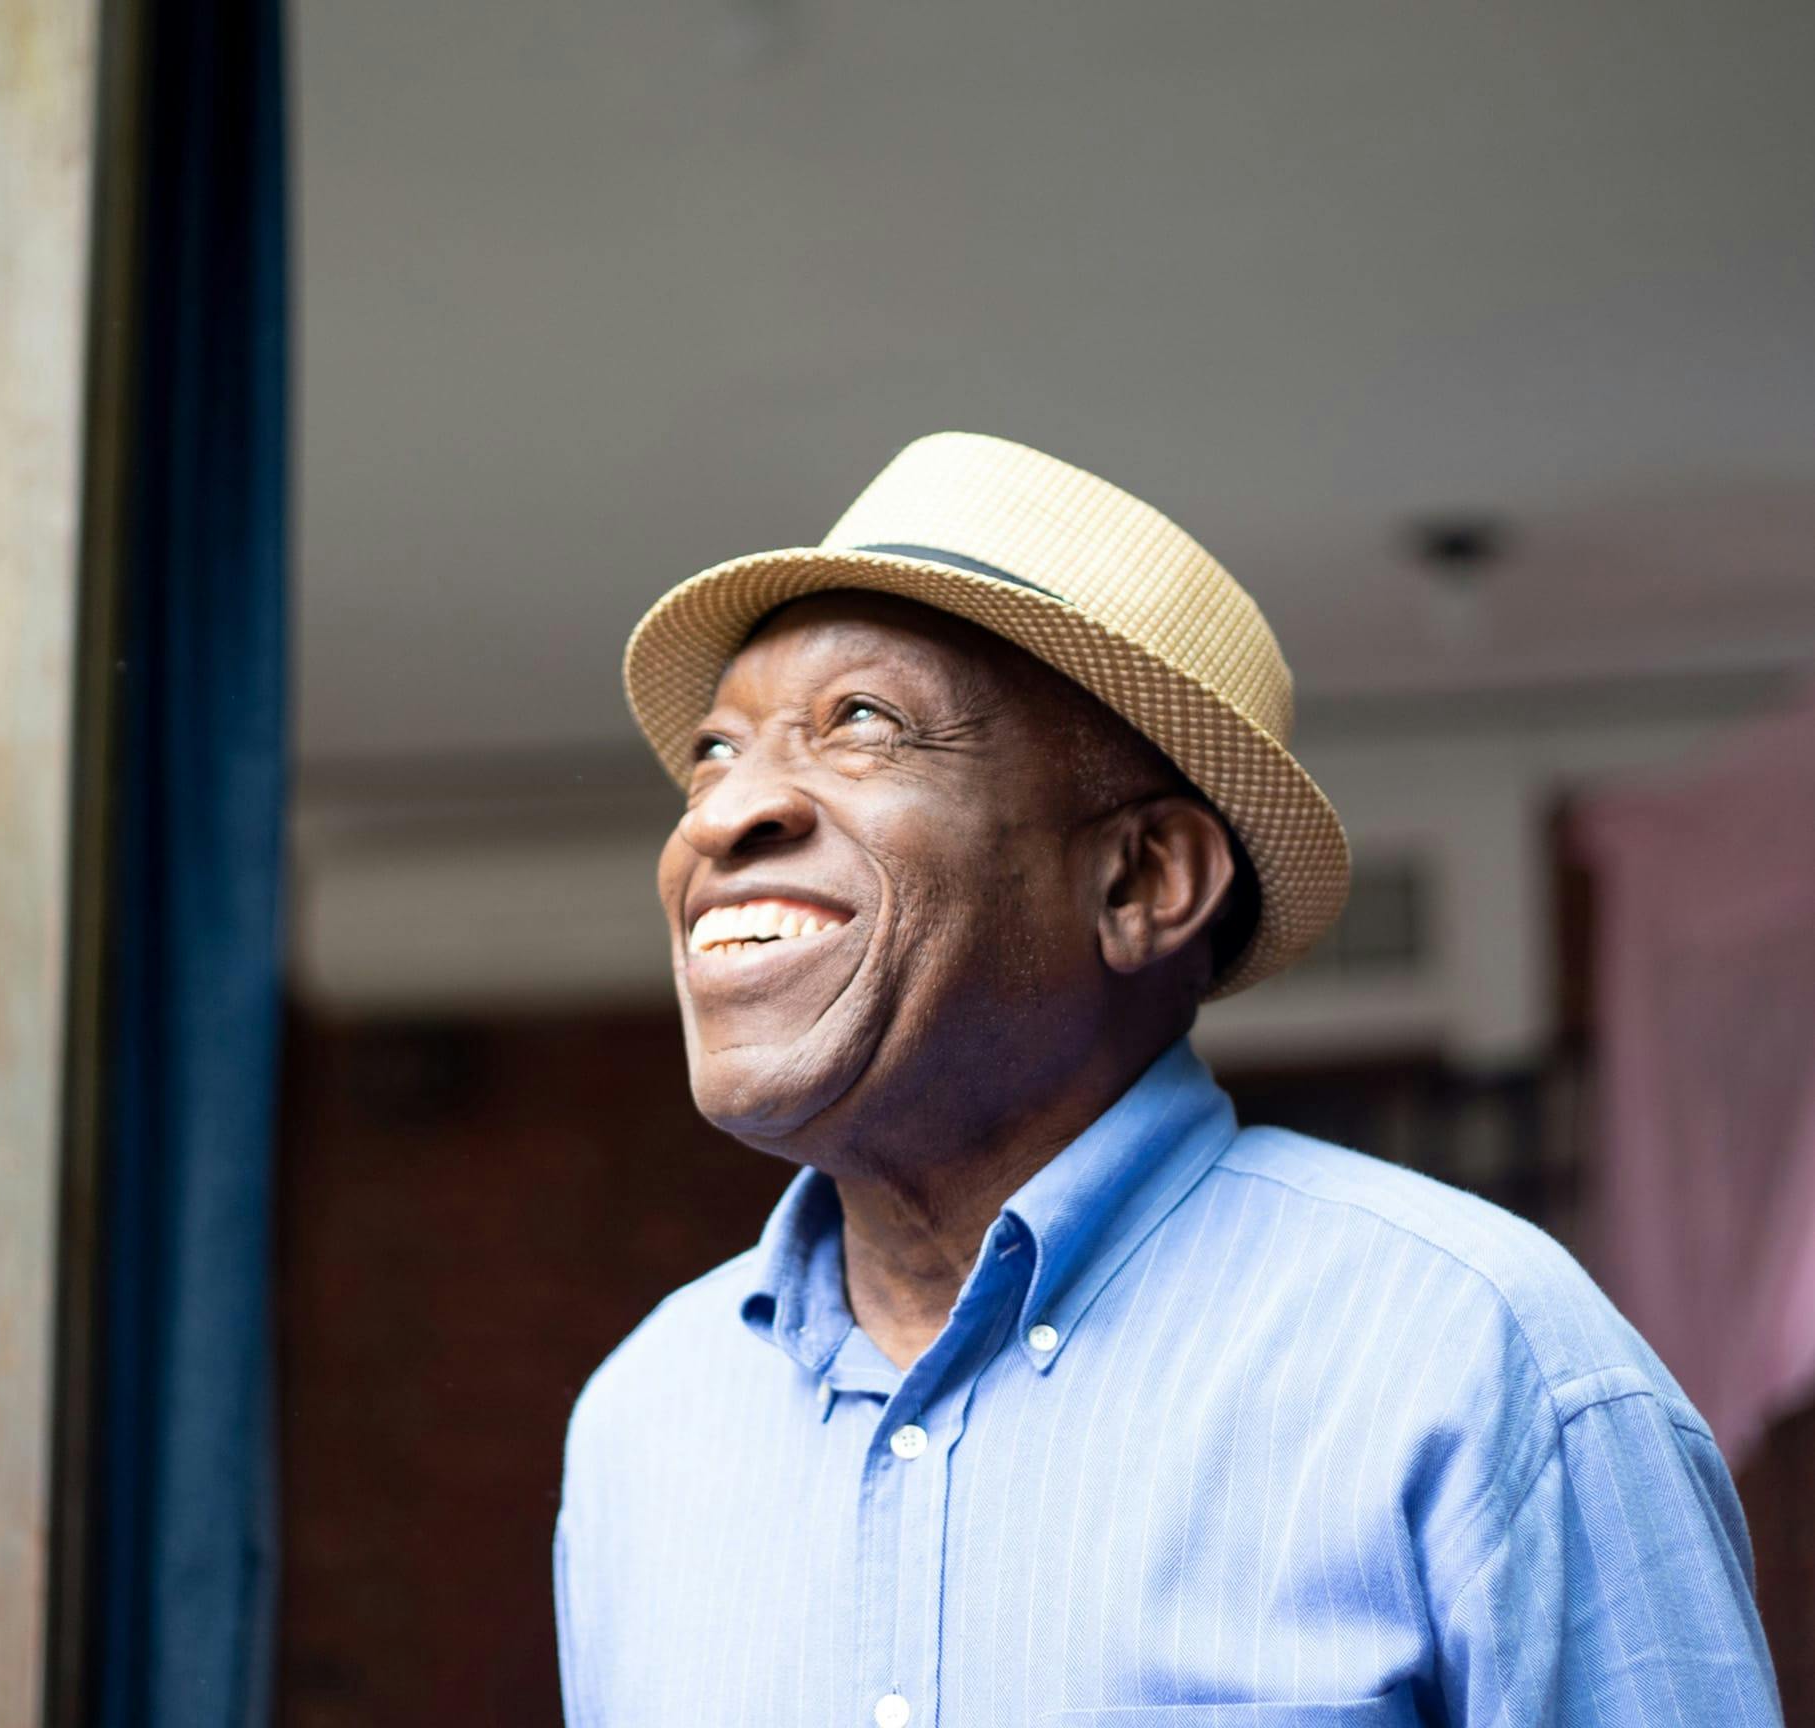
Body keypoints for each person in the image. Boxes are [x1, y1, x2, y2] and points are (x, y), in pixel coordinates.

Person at [555, 432, 1782, 1726]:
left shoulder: (1471, 1356)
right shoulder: (649, 1416)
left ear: (1143, 882)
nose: (715, 819)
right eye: (714, 752)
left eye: (861, 722)